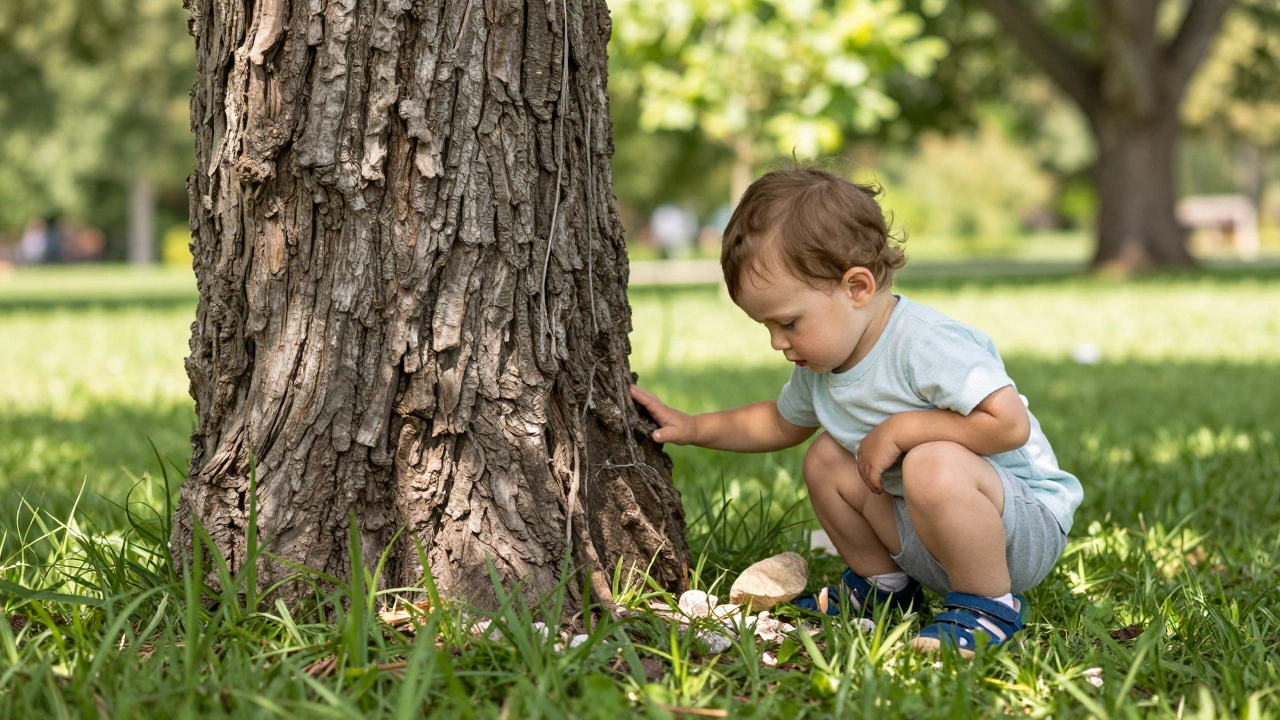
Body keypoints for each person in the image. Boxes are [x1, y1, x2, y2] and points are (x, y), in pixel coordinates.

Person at [629, 166, 1082, 657]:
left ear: (858, 288)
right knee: (825, 456)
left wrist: (907, 427)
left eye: (787, 322)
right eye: (767, 328)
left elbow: (1009, 424)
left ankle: (987, 607)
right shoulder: (825, 363)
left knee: (932, 459)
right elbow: (779, 423)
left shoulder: (925, 343)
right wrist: (694, 426)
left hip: (1018, 529)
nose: (778, 343)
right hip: (928, 532)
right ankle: (885, 590)